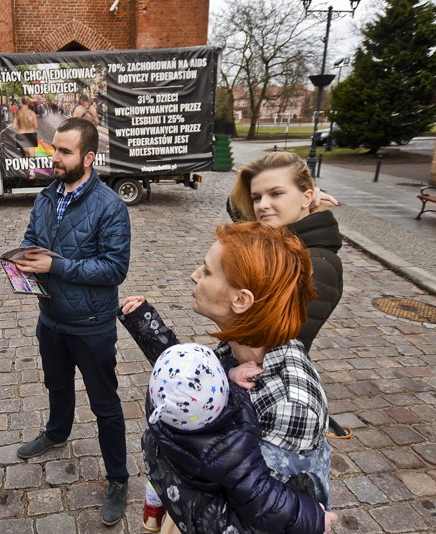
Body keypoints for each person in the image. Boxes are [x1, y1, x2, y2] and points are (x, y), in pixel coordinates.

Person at [121, 222, 332, 533]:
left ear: (241, 300)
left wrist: (162, 459)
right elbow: (198, 390)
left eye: (206, 272)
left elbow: (251, 522)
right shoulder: (239, 349)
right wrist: (148, 328)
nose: (194, 275)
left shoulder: (291, 404)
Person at [13, 117, 131, 526]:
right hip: (51, 317)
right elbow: (32, 237)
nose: (55, 157)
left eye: (65, 151)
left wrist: (56, 264)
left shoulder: (110, 206)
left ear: (89, 157)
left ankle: (118, 479)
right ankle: (57, 431)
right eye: (53, 149)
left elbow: (114, 268)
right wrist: (24, 259)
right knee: (57, 383)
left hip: (93, 323)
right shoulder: (46, 196)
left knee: (105, 405)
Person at [132, 341, 336, 534]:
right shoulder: (231, 450)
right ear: (223, 394)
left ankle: (153, 503)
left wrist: (230, 371)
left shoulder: (161, 416)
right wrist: (313, 518)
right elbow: (263, 499)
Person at [226, 152, 343, 351]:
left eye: (276, 193)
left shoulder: (317, 264)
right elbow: (237, 209)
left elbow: (277, 346)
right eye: (257, 197)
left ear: (307, 197)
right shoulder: (277, 239)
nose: (262, 205)